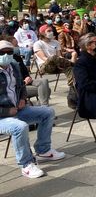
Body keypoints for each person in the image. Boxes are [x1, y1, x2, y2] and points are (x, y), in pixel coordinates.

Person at [0, 40, 65, 178]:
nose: (6, 55)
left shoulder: (14, 66)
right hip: (2, 116)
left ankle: (43, 150)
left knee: (48, 112)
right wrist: (6, 112)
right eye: (2, 53)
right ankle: (26, 164)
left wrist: (23, 99)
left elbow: (21, 86)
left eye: (9, 52)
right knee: (20, 127)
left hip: (18, 109)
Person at [3, 36, 51, 106]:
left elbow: (25, 71)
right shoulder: (5, 62)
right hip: (19, 87)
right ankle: (44, 106)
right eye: (15, 45)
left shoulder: (17, 57)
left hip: (27, 81)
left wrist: (28, 77)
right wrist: (23, 82)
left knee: (44, 81)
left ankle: (42, 106)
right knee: (47, 90)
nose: (18, 47)